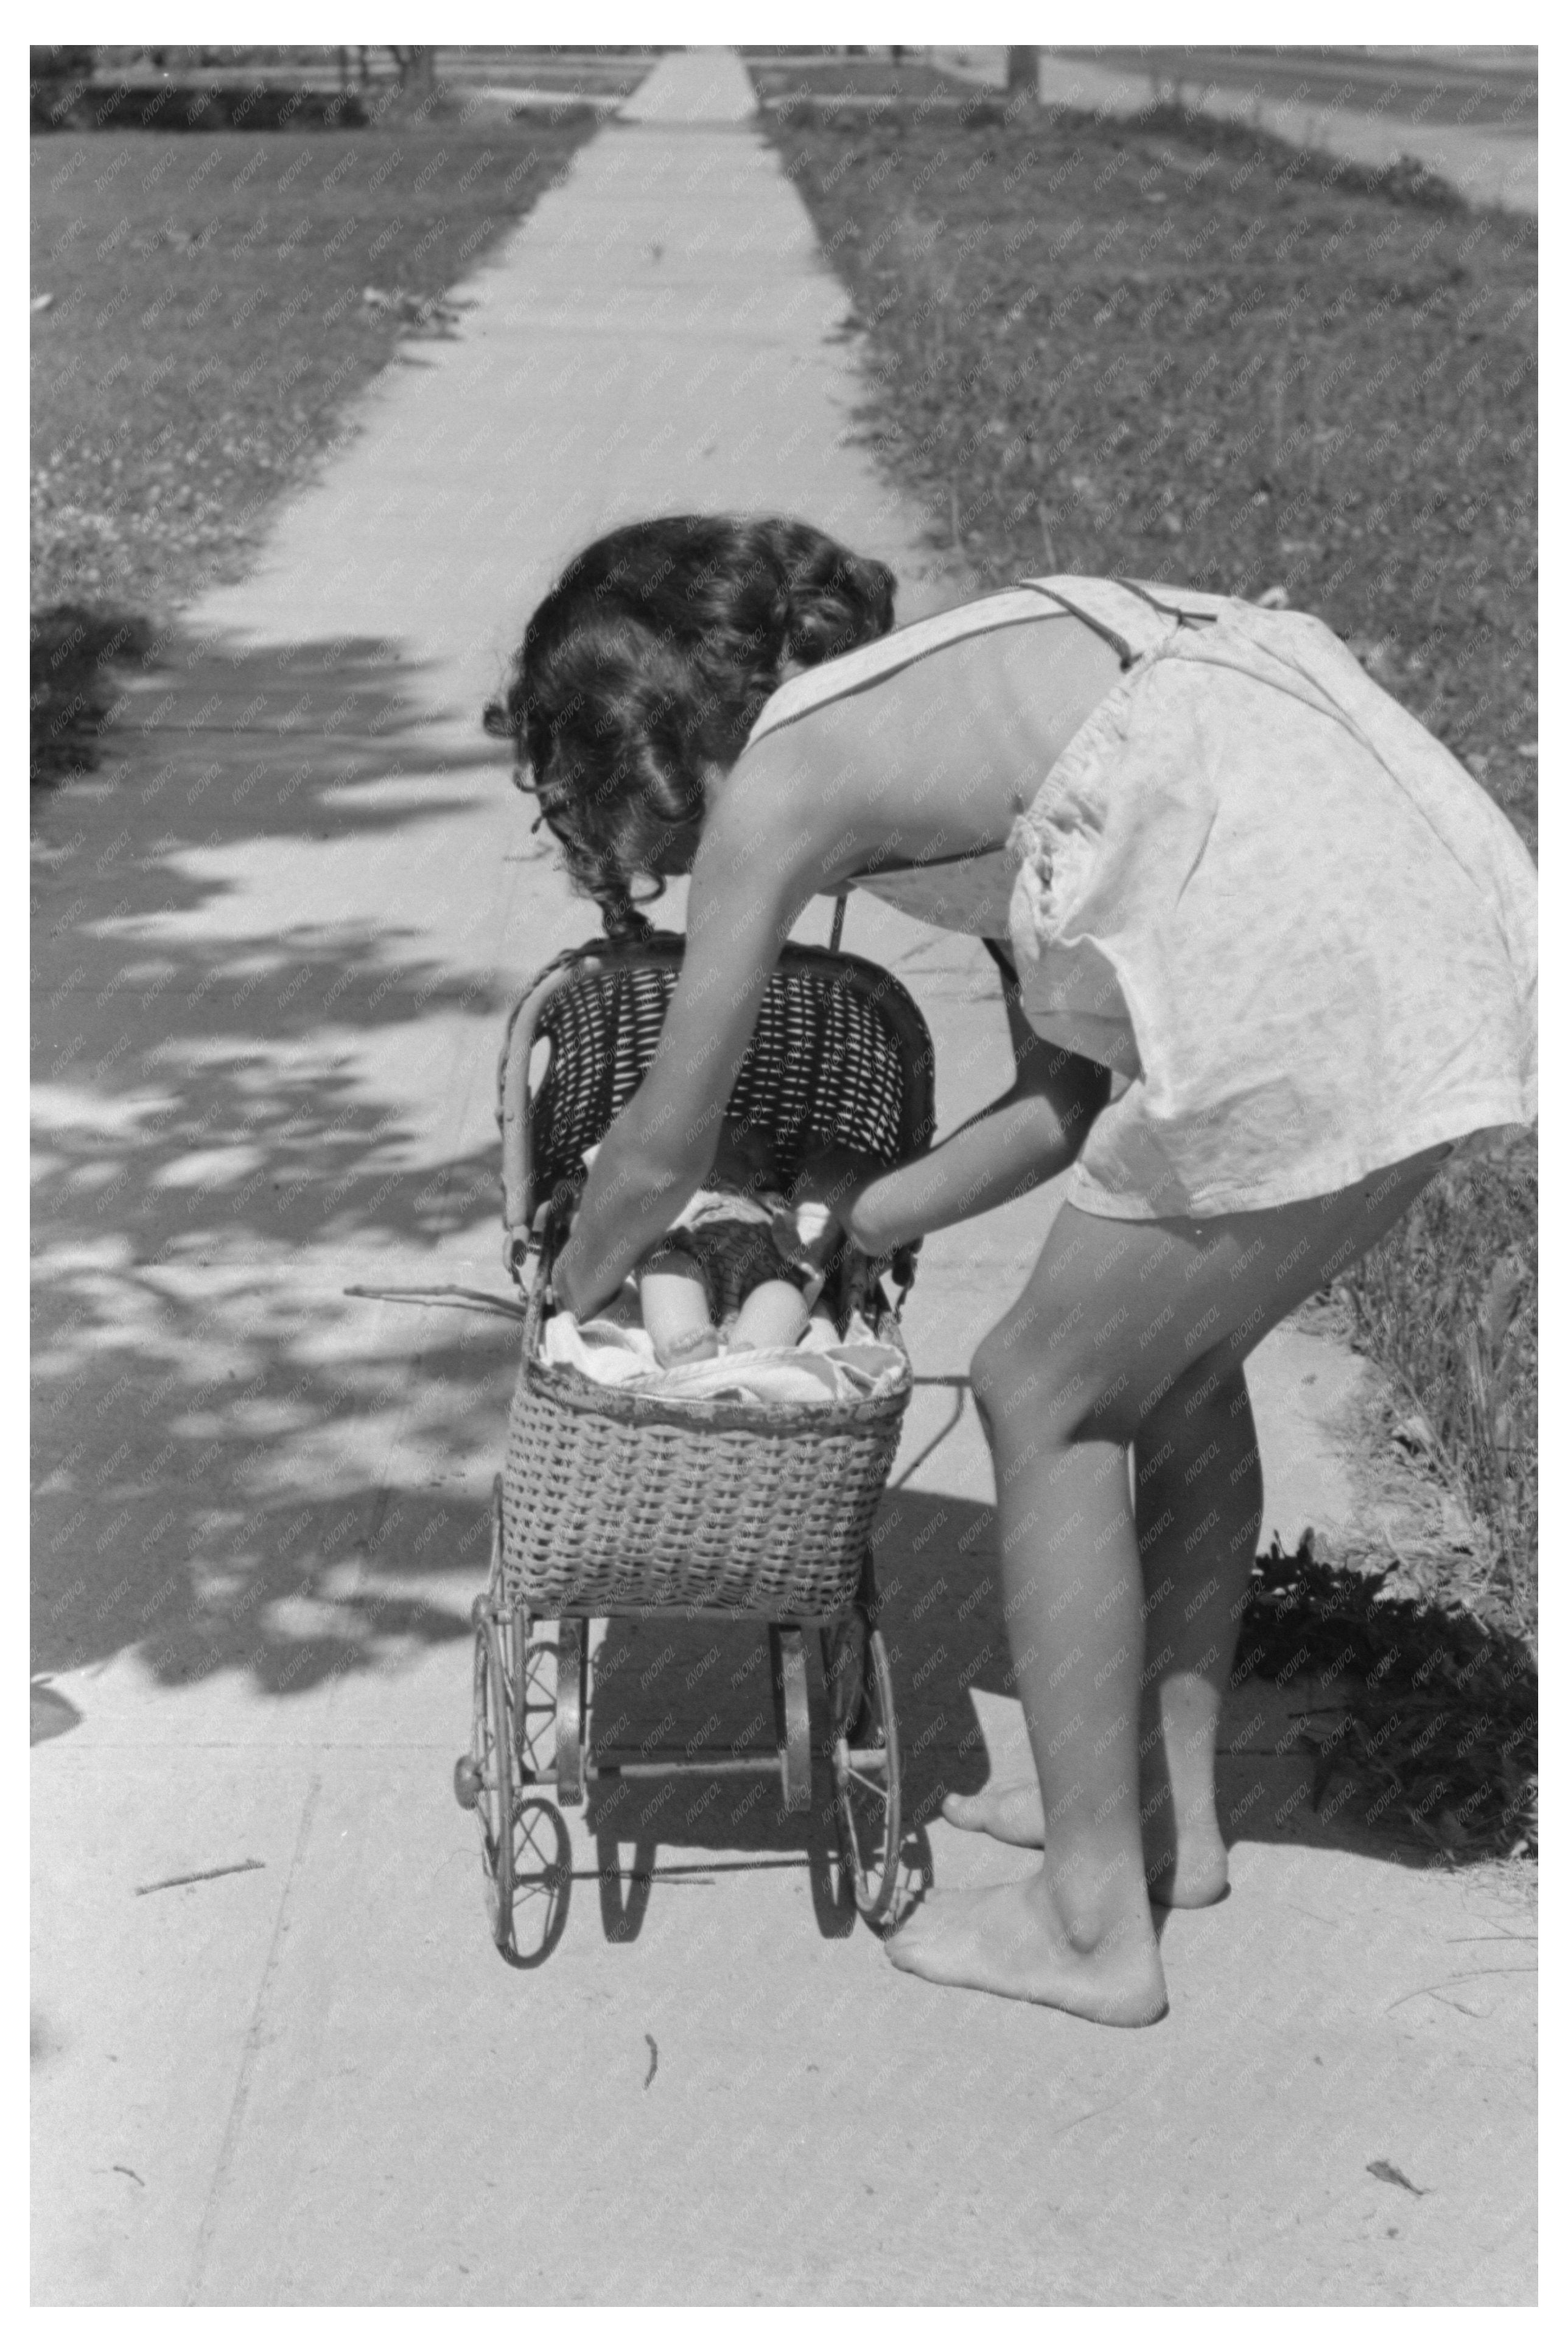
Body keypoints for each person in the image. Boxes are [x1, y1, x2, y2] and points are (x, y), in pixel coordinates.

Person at [484, 514, 1537, 2024]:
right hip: (1405, 902)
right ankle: (1162, 1818)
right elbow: (1062, 1099)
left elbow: (660, 1144)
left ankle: (1091, 1923)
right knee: (1169, 1371)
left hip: (1296, 938)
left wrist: (570, 1276)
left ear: (652, 761)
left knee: (1038, 1385)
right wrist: (870, 1212)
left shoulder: (781, 774)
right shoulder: (941, 723)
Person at [620, 1117, 862, 1367]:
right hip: (693, 1262)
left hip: (768, 1278)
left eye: (769, 1166)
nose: (761, 1170)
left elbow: (817, 1211)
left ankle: (753, 1349)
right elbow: (642, 1205)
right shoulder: (691, 1192)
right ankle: (683, 1335)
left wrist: (817, 1163)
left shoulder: (777, 1205)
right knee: (666, 1270)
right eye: (743, 1155)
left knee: (786, 1297)